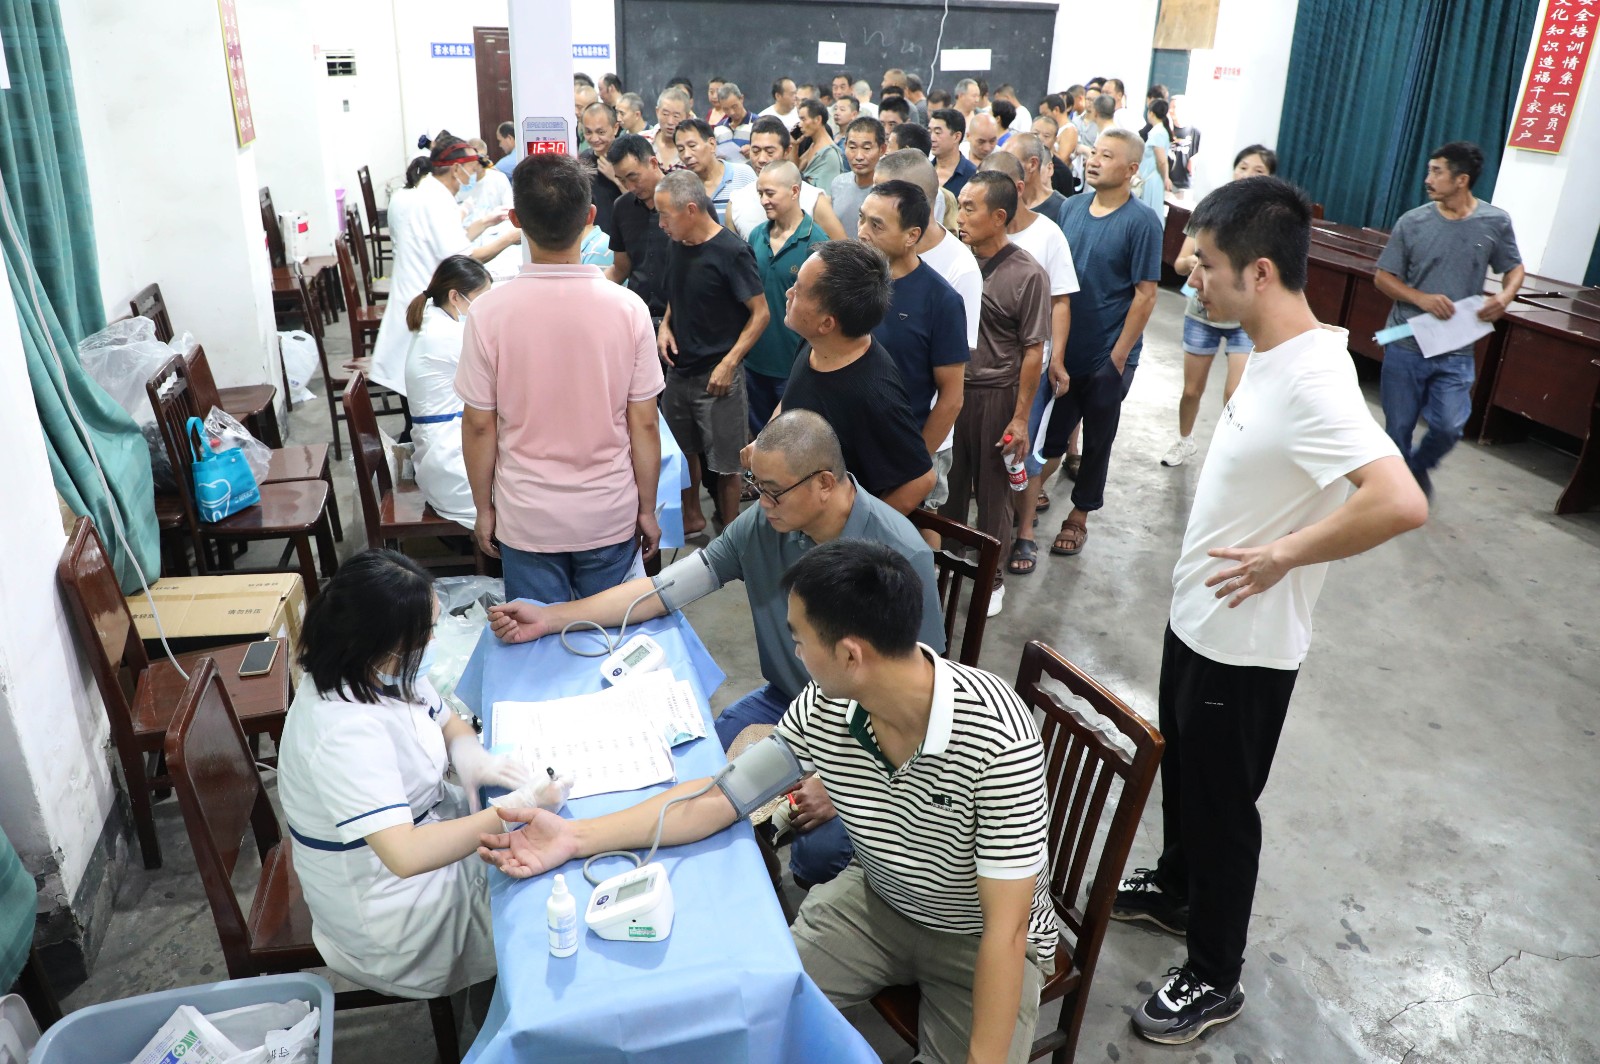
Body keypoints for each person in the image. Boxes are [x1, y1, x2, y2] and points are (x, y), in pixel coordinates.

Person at [480, 538, 1058, 1062]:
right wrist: (573, 836)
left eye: (800, 640)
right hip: (878, 899)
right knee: (746, 1014)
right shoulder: (829, 704)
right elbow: (718, 797)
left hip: (976, 936)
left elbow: (1005, 932)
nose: (796, 653)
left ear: (851, 655)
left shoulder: (997, 739)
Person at [1119, 175, 1428, 1044]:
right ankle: (1178, 890)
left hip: (1245, 648)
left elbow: (1401, 501)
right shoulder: (1267, 354)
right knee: (1186, 778)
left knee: (1223, 811)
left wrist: (1285, 554)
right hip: (1199, 621)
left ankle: (1215, 975)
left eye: (1204, 264)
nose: (1191, 279)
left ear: (1259, 271)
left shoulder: (1316, 382)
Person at [487, 413, 944, 883]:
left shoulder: (899, 556)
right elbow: (666, 589)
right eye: (755, 487)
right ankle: (757, 864)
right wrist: (553, 616)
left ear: (824, 483)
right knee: (700, 766)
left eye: (773, 491)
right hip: (795, 703)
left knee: (816, 854)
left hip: (876, 734)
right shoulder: (769, 523)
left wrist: (836, 776)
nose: (761, 503)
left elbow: (920, 698)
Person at [278, 550, 567, 999]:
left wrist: (471, 755)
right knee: (547, 895)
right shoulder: (341, 730)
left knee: (553, 842)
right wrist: (516, 807)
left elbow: (446, 720)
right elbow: (405, 855)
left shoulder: (381, 668)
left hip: (431, 828)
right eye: (427, 631)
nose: (435, 639)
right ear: (381, 640)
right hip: (396, 910)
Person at [459, 153, 663, 603]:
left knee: (538, 637)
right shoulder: (628, 308)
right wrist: (647, 509)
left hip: (527, 516)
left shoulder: (487, 313)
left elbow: (478, 425)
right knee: (606, 635)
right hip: (607, 511)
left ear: (516, 220)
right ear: (590, 217)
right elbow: (644, 422)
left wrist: (483, 508)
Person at [1030, 130, 1162, 560]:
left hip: (1110, 354)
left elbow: (1145, 295)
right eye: (1094, 153)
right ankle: (1032, 492)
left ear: (1131, 170)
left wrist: (1117, 358)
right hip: (1066, 347)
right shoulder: (1071, 207)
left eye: (1107, 156)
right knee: (1051, 430)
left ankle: (1080, 514)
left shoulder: (1142, 222)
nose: (1093, 160)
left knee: (1098, 438)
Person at [1375, 141, 1524, 498]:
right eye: (1429, 170)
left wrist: (1504, 297)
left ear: (1461, 180)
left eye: (1436, 172)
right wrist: (1420, 298)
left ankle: (1417, 468)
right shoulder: (1412, 222)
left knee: (1449, 427)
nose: (1428, 179)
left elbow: (1514, 268)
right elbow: (1382, 277)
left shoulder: (1495, 221)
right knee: (1398, 429)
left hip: (1456, 348)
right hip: (1406, 342)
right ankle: (1394, 497)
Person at [942, 171, 1048, 616]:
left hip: (996, 395)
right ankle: (945, 563)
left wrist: (1020, 418)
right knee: (947, 487)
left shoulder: (1027, 274)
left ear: (999, 217)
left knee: (992, 494)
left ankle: (992, 578)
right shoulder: (954, 259)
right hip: (951, 391)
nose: (960, 216)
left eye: (970, 208)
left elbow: (1033, 350)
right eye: (960, 205)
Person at [775, 241, 936, 513]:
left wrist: (852, 531)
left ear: (827, 323)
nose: (789, 293)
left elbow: (920, 480)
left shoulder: (874, 395)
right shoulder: (815, 342)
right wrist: (766, 441)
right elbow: (792, 396)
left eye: (799, 291)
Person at [978, 150, 1078, 578]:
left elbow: (1060, 302)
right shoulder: (973, 236)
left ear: (1017, 189)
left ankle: (1024, 532)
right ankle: (986, 535)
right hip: (983, 371)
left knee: (1023, 453)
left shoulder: (1047, 235)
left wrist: (1057, 359)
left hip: (1028, 366)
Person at [656, 170, 769, 534]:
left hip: (718, 375)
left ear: (691, 210)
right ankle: (692, 515)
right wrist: (666, 325)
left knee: (726, 463)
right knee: (683, 449)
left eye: (665, 216)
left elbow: (761, 313)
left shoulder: (732, 252)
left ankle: (731, 531)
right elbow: (677, 293)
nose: (661, 224)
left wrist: (729, 363)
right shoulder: (676, 244)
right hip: (679, 370)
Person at [369, 135, 521, 397]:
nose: (471, 178)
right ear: (456, 169)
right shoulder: (436, 200)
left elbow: (451, 244)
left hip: (413, 295)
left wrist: (485, 222)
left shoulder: (423, 193)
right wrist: (511, 237)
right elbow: (466, 259)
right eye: (471, 170)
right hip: (421, 303)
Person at [1162, 146, 1277, 468]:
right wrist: (1196, 262)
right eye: (1243, 167)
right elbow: (1180, 262)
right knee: (1191, 390)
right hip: (1202, 313)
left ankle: (1228, 451)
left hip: (1244, 319)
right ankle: (1184, 440)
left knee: (1234, 392)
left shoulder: (1271, 223)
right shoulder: (1210, 209)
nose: (1247, 175)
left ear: (1270, 179)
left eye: (1258, 171)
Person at [856, 179, 969, 483]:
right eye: (861, 218)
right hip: (844, 451)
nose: (862, 232)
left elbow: (952, 397)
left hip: (897, 455)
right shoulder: (849, 281)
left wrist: (916, 467)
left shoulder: (941, 300)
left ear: (911, 236)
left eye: (876, 225)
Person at [403, 255, 491, 529]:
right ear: (455, 296)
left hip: (440, 450)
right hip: (449, 464)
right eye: (482, 299)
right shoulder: (446, 336)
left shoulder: (435, 319)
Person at [746, 162, 829, 433]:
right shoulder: (757, 235)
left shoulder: (816, 242)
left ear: (794, 191)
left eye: (770, 193)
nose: (763, 200)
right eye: (760, 193)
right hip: (754, 362)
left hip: (793, 367)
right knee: (757, 438)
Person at [726, 117, 848, 241]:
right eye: (755, 151)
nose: (761, 159)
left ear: (787, 151)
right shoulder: (736, 202)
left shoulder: (814, 200)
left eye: (770, 152)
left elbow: (842, 246)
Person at [604, 134, 670, 320]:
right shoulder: (622, 207)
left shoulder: (687, 200)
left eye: (633, 177)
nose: (630, 187)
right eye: (622, 180)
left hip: (683, 319)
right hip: (639, 318)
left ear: (653, 163)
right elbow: (620, 268)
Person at [674, 117, 754, 224]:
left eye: (692, 146)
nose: (686, 155)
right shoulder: (682, 188)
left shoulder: (744, 175)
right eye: (681, 149)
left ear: (712, 144)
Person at [828, 116, 886, 238]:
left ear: (882, 149)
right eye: (852, 148)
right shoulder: (838, 183)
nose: (859, 156)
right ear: (845, 146)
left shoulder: (889, 191)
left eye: (866, 148)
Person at [579, 102, 624, 236]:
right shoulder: (583, 160)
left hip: (623, 234)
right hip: (593, 237)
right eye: (588, 132)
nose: (594, 138)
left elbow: (641, 200)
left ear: (615, 128)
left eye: (601, 132)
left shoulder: (627, 157)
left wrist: (616, 178)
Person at [456, 139, 513, 224]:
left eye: (480, 158)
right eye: (472, 159)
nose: (477, 163)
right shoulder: (459, 182)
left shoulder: (499, 178)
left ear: (486, 158)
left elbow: (509, 211)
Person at [795, 99, 844, 189]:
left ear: (818, 119)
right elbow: (795, 170)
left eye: (803, 119)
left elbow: (826, 192)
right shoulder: (813, 145)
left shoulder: (829, 154)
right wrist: (794, 145)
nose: (800, 125)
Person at [1138, 99, 1174, 220]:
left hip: (1153, 179)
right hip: (1152, 177)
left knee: (1150, 212)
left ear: (1151, 113)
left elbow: (1161, 160)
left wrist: (1166, 177)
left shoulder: (1157, 133)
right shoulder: (1159, 131)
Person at [930, 108, 977, 195]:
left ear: (956, 137)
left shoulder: (972, 176)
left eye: (937, 132)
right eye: (930, 131)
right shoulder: (924, 171)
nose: (932, 138)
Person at [1031, 114, 1077, 199]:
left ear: (1055, 139)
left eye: (1046, 136)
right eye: (1035, 133)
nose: (1040, 139)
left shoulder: (1063, 172)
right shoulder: (1022, 162)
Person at [649, 87, 691, 168]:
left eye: (676, 116)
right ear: (657, 112)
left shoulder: (692, 150)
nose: (670, 122)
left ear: (687, 117)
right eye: (665, 114)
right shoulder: (642, 141)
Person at [712, 82, 752, 161]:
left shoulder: (758, 123)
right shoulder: (719, 128)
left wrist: (754, 151)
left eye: (734, 106)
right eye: (726, 109)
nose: (731, 112)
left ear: (741, 99)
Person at [1166, 97, 1200, 192]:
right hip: (1167, 182)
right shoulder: (1166, 130)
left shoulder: (1195, 132)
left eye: (1174, 107)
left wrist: (1195, 159)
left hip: (1185, 183)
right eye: (1170, 107)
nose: (1171, 110)